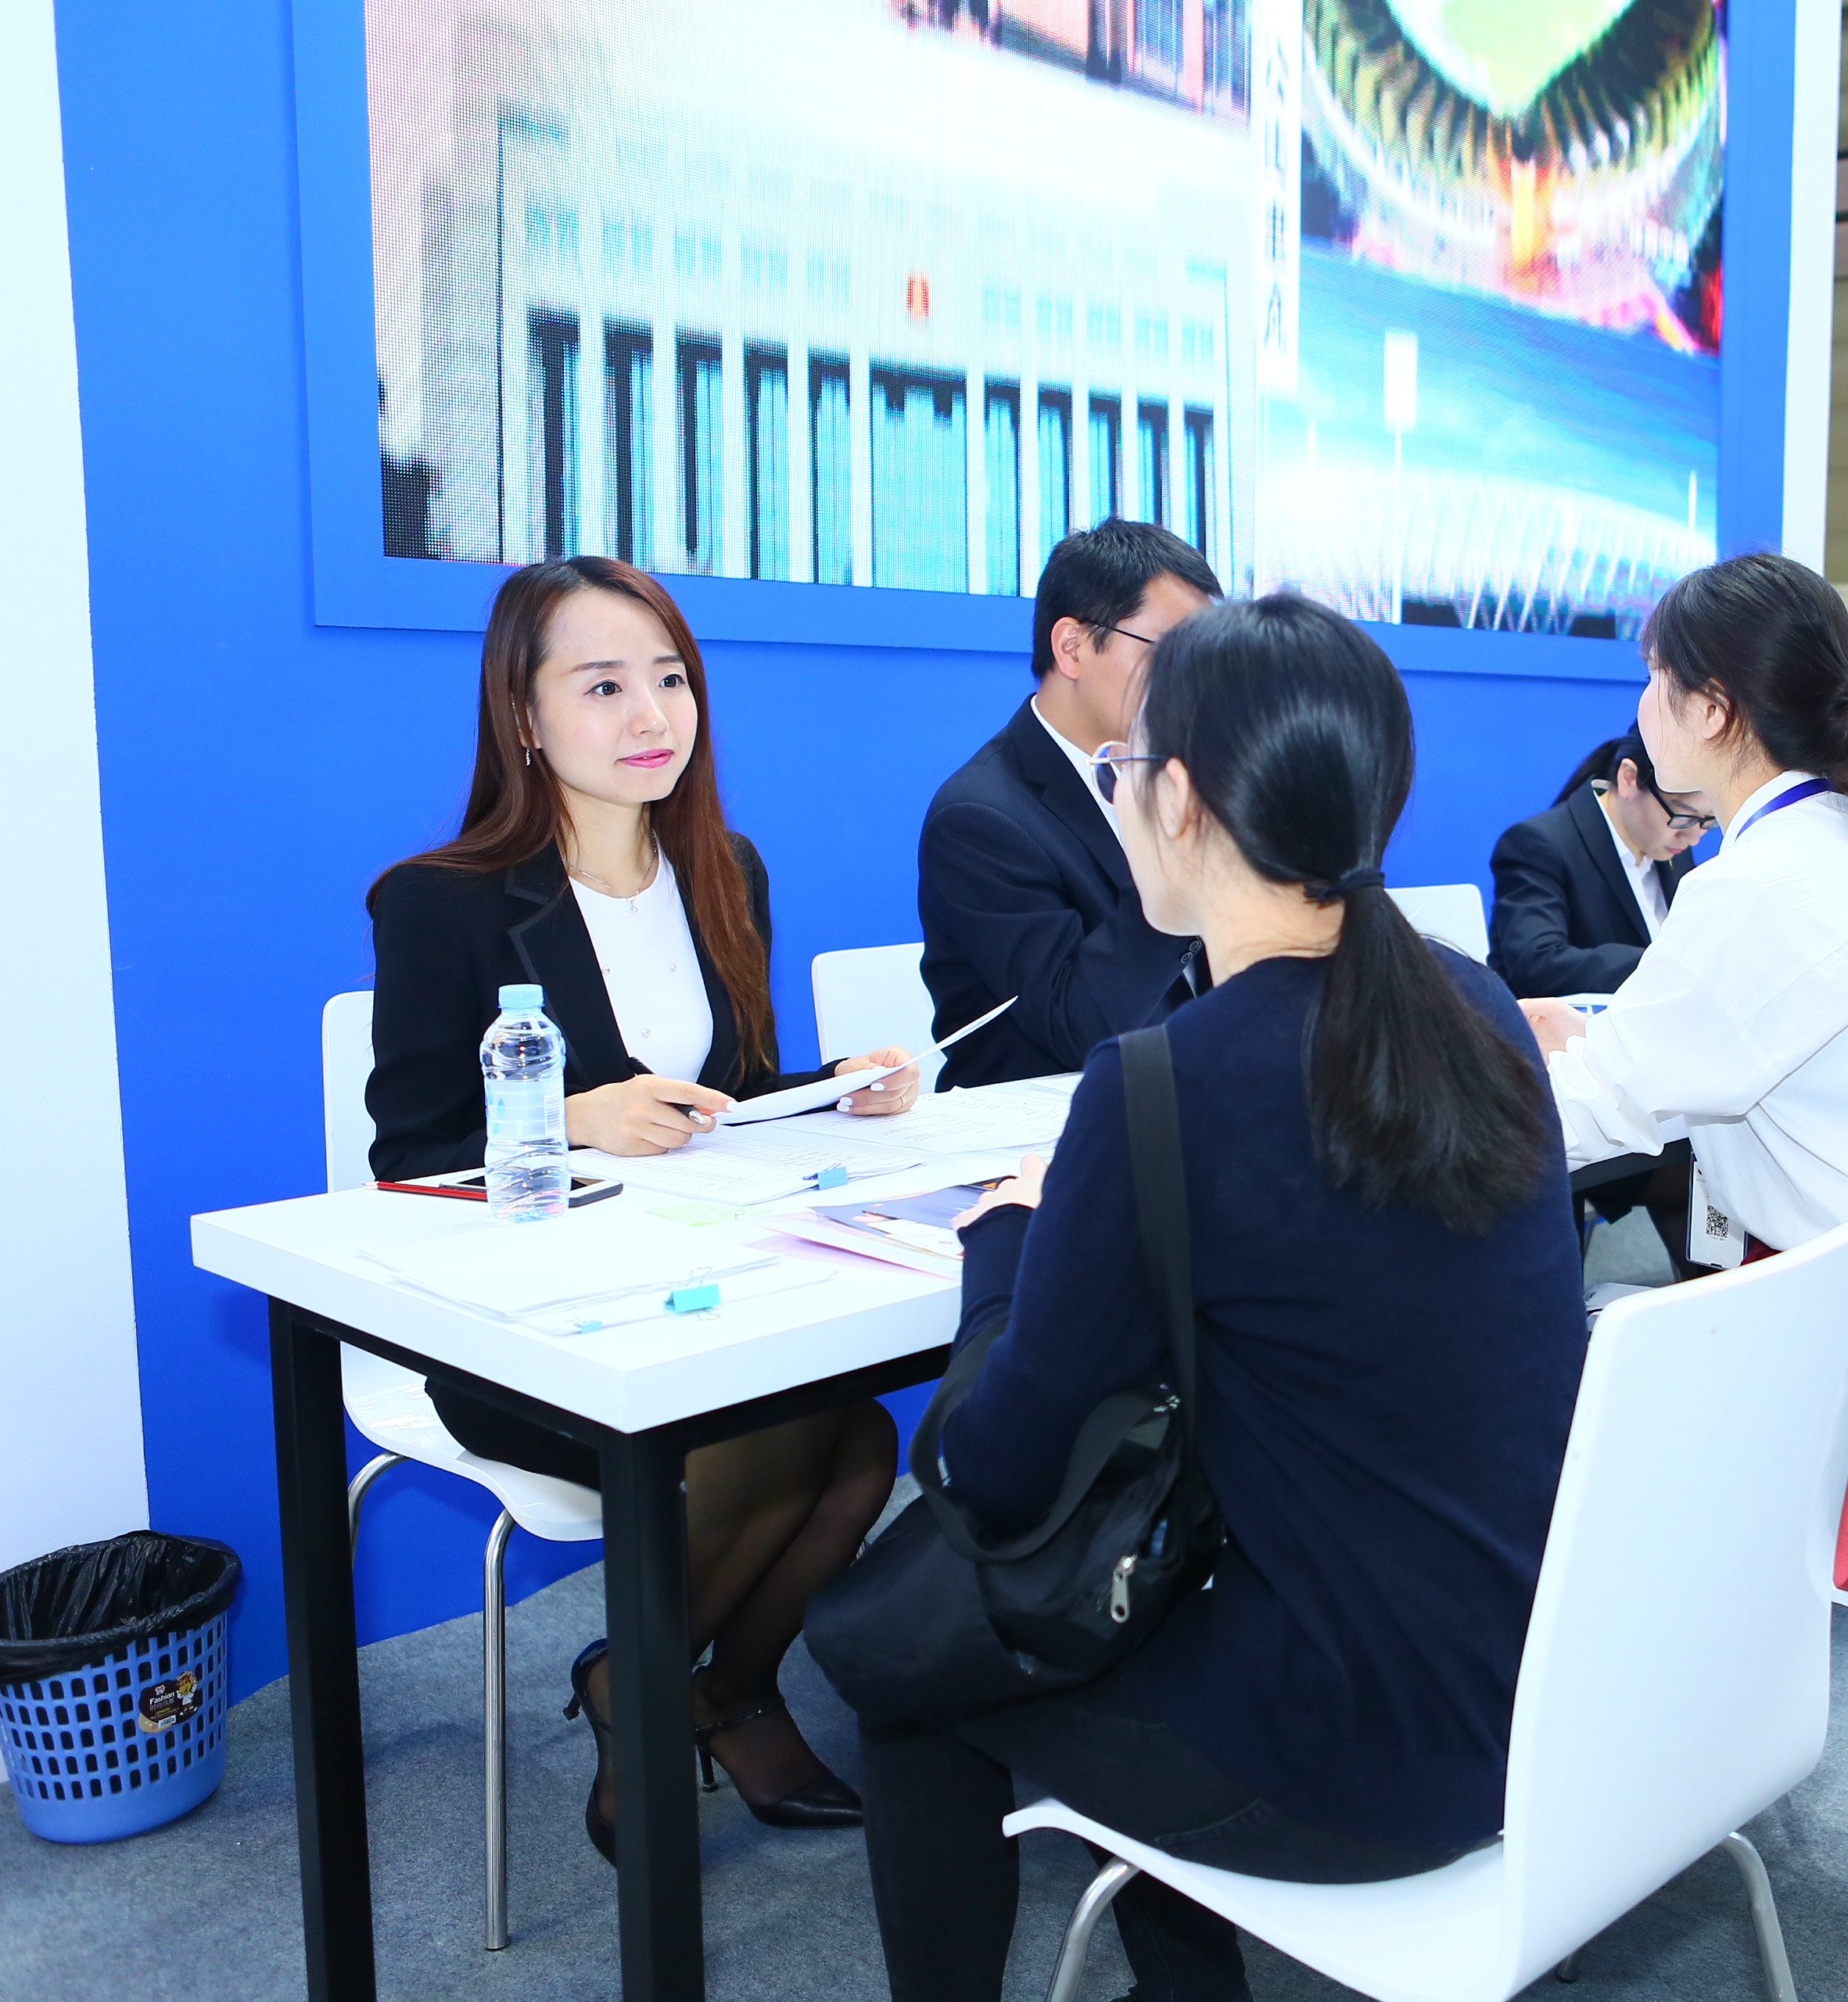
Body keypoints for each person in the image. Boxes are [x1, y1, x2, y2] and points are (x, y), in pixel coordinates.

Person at [858, 594, 1588, 2002]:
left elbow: (998, 1477)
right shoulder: (1478, 1009)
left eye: (1127, 769)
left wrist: (1008, 1244)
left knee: (901, 1671)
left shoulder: (1166, 1085)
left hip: (1365, 1753)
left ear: (1180, 795)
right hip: (1545, 1689)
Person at [366, 556, 910, 1859]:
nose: (652, 714)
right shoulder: (439, 904)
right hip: (525, 1321)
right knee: (791, 1427)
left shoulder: (725, 871)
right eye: (603, 686)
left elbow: (727, 1091)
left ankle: (715, 1692)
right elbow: (408, 1155)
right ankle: (653, 1694)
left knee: (859, 1444)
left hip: (700, 1285)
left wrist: (836, 1087)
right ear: (525, 715)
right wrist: (566, 1119)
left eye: (670, 679)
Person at [1520, 552, 1848, 1417]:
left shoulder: (1759, 882)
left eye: (1655, 677)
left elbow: (1595, 1112)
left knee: (1552, 1378)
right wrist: (1594, 1043)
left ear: (1714, 708)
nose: (1643, 705)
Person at [917, 519, 1221, 1088]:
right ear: (1072, 647)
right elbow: (1077, 1027)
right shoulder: (980, 818)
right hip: (1046, 1125)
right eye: (1170, 653)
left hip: (1192, 1102)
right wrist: (1185, 858)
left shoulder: (1181, 777)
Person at [1485, 727, 1713, 999]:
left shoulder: (1671, 844)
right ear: (1629, 778)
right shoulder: (1539, 845)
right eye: (1684, 817)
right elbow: (1537, 964)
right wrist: (1666, 965)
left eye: (1709, 821)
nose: (1694, 838)